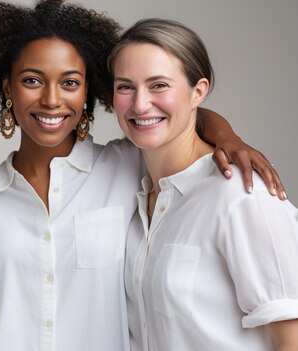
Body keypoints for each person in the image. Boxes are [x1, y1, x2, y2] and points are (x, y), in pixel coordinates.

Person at [0, 0, 285, 350]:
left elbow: (175, 117)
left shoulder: (126, 163)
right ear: (8, 88)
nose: (51, 99)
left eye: (70, 82)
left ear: (87, 91)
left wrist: (228, 138)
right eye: (32, 80)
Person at [108, 18, 298, 350]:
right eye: (125, 86)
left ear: (199, 91)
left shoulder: (242, 195)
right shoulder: (129, 189)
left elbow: (292, 338)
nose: (139, 104)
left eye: (159, 85)